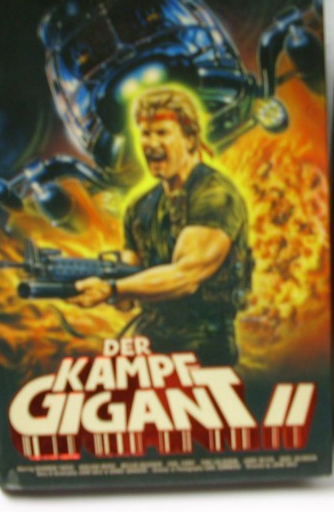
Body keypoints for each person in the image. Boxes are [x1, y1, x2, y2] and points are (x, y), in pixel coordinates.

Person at [69, 87, 250, 365]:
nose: (151, 143)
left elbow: (185, 277)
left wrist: (112, 288)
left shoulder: (215, 195)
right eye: (145, 133)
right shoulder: (138, 208)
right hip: (148, 343)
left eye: (162, 133)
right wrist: (86, 280)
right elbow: (127, 297)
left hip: (203, 346)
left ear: (190, 138)